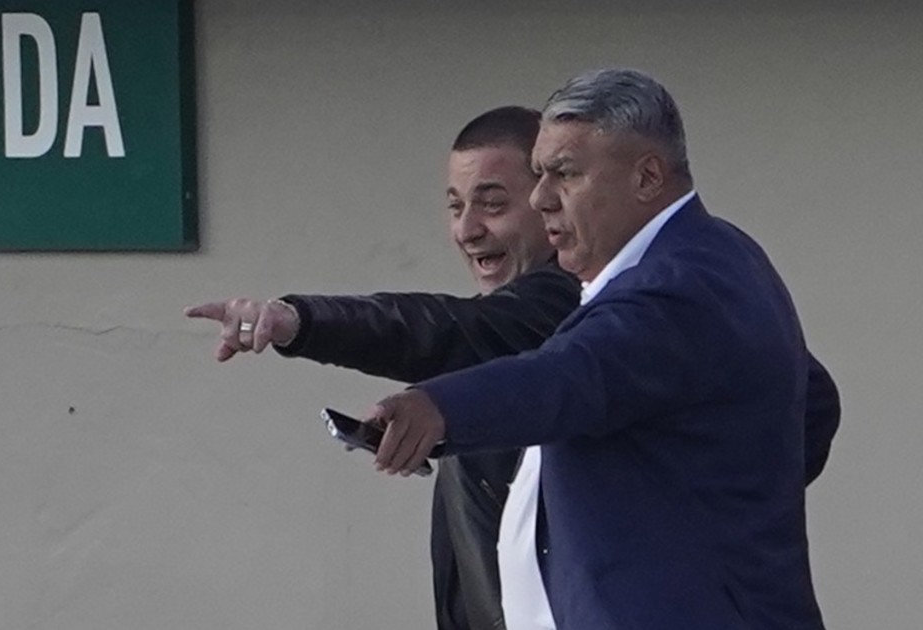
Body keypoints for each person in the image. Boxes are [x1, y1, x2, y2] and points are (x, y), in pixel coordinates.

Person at [369, 68, 835, 628]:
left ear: (647, 177)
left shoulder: (681, 283)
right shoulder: (709, 254)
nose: (541, 198)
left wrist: (439, 409)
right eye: (539, 173)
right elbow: (812, 402)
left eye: (564, 173)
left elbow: (569, 374)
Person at [188, 107, 582, 630]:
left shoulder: (569, 304)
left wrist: (299, 321)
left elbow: (441, 329)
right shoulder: (514, 330)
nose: (467, 229)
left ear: (551, 203)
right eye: (456, 206)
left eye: (493, 204)